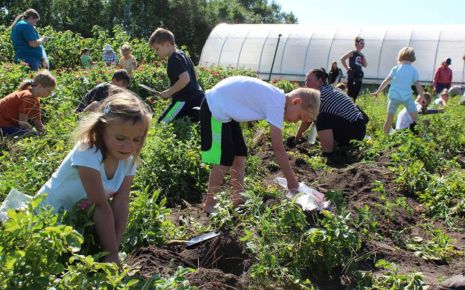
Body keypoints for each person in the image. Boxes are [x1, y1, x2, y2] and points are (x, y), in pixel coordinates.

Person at [36, 92, 152, 264]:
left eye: (137, 139)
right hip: (47, 217)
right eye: (120, 138)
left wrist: (114, 248)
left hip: (79, 222)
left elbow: (121, 201)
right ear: (101, 129)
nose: (129, 146)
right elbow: (99, 205)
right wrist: (111, 253)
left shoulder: (128, 159)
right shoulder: (88, 152)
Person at [200, 76, 320, 213]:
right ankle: (210, 203)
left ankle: (238, 199)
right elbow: (278, 148)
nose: (295, 122)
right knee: (225, 157)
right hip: (214, 107)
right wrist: (292, 182)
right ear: (296, 102)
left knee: (240, 154)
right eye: (299, 117)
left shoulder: (276, 98)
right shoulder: (277, 103)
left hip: (225, 108)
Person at [295, 69, 367, 163]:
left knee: (322, 118)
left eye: (309, 80)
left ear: (320, 81)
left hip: (354, 129)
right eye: (305, 80)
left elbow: (308, 119)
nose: (306, 83)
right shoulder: (331, 88)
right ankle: (338, 147)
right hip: (357, 128)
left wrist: (298, 135)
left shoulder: (319, 95)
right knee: (321, 119)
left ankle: (329, 156)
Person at [149, 28, 204, 124]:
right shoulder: (182, 55)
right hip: (198, 97)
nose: (156, 52)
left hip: (183, 100)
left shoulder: (174, 59)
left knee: (162, 123)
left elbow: (185, 79)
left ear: (167, 44)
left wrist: (168, 92)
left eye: (157, 48)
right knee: (195, 124)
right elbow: (194, 74)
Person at [372, 47, 425, 134]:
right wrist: (422, 97)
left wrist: (377, 92)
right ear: (413, 58)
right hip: (407, 97)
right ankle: (423, 136)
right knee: (416, 119)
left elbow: (386, 81)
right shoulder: (413, 70)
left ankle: (383, 139)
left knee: (389, 119)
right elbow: (418, 85)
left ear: (400, 56)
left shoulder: (395, 68)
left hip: (394, 96)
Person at [0, 70, 56, 137]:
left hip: (7, 123)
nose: (50, 94)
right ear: (40, 86)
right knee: (31, 135)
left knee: (33, 134)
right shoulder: (28, 97)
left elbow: (38, 123)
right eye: (49, 91)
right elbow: (22, 122)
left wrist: (46, 134)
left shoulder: (35, 101)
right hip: (2, 123)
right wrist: (32, 131)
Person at [340, 36, 367, 102]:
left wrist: (363, 57)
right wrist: (347, 67)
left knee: (355, 95)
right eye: (361, 43)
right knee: (350, 94)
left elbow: (365, 65)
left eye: (364, 43)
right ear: (356, 43)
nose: (363, 44)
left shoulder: (361, 54)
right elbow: (342, 59)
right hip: (352, 76)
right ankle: (347, 108)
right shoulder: (353, 52)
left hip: (359, 76)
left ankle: (352, 108)